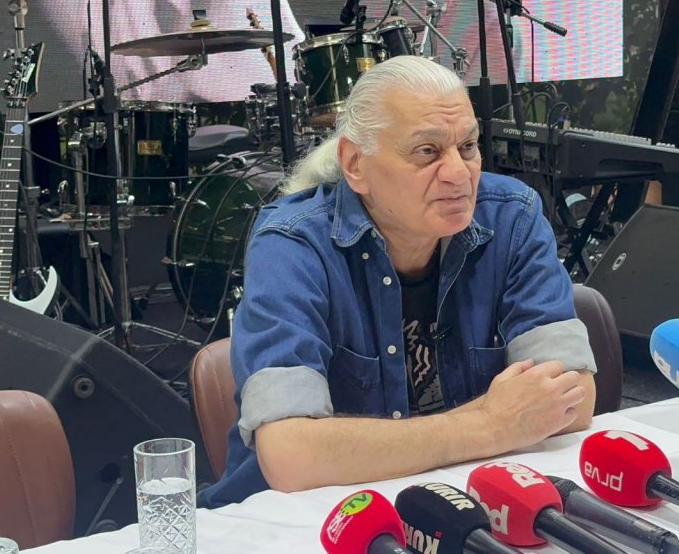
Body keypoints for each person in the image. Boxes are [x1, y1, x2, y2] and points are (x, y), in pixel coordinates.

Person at [199, 55, 597, 508]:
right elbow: (290, 455)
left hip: (455, 502)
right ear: (355, 164)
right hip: (298, 519)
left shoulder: (512, 217)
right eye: (427, 152)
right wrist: (491, 424)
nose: (458, 174)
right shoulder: (292, 243)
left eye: (468, 146)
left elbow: (572, 399)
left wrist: (391, 446)